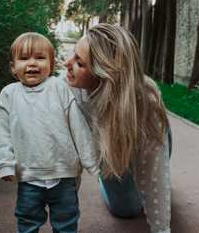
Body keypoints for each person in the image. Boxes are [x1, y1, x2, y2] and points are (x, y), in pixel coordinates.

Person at [64, 23, 172, 233]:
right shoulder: (66, 90)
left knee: (151, 176)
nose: (66, 63)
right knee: (127, 209)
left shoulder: (145, 103)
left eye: (79, 62)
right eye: (72, 54)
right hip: (108, 149)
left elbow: (153, 172)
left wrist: (162, 229)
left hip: (142, 135)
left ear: (104, 75)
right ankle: (111, 170)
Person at [0, 32, 100, 233]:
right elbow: (2, 133)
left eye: (40, 58)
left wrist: (90, 161)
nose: (32, 63)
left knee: (66, 222)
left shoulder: (59, 88)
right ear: (13, 67)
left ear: (51, 64)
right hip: (29, 175)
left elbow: (78, 127)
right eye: (24, 58)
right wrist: (5, 164)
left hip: (63, 173)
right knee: (27, 222)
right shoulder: (8, 95)